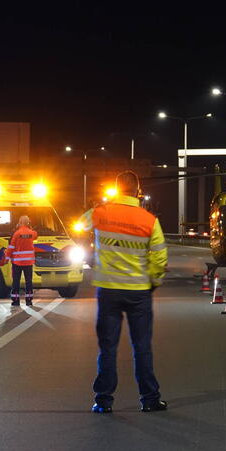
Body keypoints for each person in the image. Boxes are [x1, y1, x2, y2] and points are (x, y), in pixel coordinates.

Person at [77, 171, 168, 413]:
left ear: (117, 189)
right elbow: (160, 256)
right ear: (138, 191)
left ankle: (103, 401)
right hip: (138, 291)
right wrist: (154, 280)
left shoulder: (101, 213)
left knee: (107, 347)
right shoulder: (149, 220)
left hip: (108, 289)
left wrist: (91, 255)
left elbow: (79, 225)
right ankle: (149, 399)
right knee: (142, 347)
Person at [5, 215, 37, 307]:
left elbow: (11, 247)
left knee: (16, 282)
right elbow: (35, 235)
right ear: (28, 223)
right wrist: (30, 227)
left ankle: (15, 301)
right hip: (28, 262)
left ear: (19, 222)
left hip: (17, 262)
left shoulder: (16, 233)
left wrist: (7, 258)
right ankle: (29, 301)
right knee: (28, 282)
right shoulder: (31, 233)